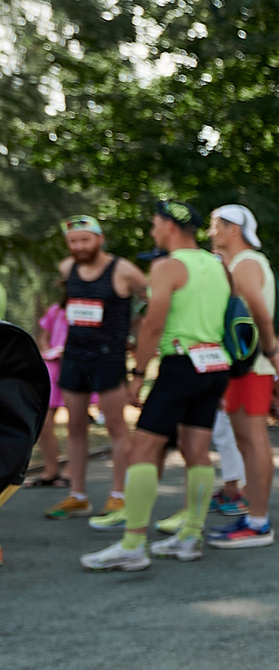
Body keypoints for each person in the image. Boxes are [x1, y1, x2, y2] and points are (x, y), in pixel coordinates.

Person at [79, 201, 232, 571]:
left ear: (169, 226)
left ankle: (133, 544)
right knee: (197, 451)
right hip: (215, 364)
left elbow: (153, 323)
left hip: (181, 364)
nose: (152, 231)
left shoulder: (167, 266)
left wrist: (138, 373)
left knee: (141, 451)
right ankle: (190, 537)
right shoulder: (218, 265)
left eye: (154, 224)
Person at [49, 216, 148, 523]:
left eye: (85, 240)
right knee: (75, 427)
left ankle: (119, 495)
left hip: (109, 359)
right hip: (75, 357)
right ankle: (77, 496)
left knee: (116, 427)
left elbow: (152, 301)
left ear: (100, 239)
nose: (79, 247)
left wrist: (135, 334)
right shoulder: (67, 268)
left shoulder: (122, 270)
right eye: (73, 241)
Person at [205, 203, 279, 548]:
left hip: (251, 366)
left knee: (253, 442)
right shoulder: (241, 262)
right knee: (248, 442)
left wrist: (271, 353)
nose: (211, 232)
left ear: (232, 229)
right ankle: (255, 517)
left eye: (215, 225)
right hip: (248, 365)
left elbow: (261, 314)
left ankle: (258, 522)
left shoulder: (246, 262)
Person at [29, 298, 69, 487]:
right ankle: (50, 471)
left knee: (77, 423)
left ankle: (71, 472)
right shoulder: (55, 310)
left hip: (76, 366)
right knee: (44, 422)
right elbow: (44, 337)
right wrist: (47, 349)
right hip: (53, 368)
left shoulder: (91, 306)